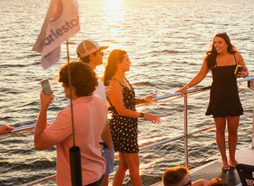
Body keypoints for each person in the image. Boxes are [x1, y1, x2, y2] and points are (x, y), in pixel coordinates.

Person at [176, 33, 249, 171]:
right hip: (218, 97)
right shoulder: (211, 59)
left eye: (220, 42)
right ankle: (224, 159)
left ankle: (233, 158)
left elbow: (246, 71)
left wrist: (243, 74)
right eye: (215, 42)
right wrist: (186, 87)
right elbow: (200, 76)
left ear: (227, 43)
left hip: (233, 96)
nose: (217, 45)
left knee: (233, 130)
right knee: (220, 129)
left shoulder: (236, 56)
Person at [34, 61, 111, 186]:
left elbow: (39, 143)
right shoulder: (100, 101)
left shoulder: (69, 115)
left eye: (64, 84)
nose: (63, 87)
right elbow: (102, 129)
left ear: (73, 88)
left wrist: (44, 107)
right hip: (97, 172)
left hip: (79, 179)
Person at [104, 49, 161, 186]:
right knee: (134, 167)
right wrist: (144, 115)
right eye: (127, 60)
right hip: (122, 127)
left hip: (129, 126)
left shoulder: (122, 79)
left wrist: (143, 100)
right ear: (118, 63)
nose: (130, 62)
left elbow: (126, 100)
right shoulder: (115, 82)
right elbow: (121, 110)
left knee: (124, 167)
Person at [77, 39, 114, 186]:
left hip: (84, 141)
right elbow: (101, 117)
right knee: (103, 179)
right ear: (91, 56)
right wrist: (109, 143)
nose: (103, 55)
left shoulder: (76, 82)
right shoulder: (96, 83)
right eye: (100, 53)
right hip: (100, 143)